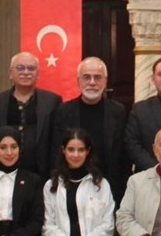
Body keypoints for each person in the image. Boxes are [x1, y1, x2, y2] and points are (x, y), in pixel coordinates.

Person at [52, 57, 129, 202]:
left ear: (105, 81)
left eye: (97, 77)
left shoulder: (118, 111)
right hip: (72, 184)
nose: (92, 82)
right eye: (86, 77)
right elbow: (57, 150)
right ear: (78, 81)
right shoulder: (64, 111)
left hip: (109, 186)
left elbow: (123, 154)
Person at [0, 52, 61, 178]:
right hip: (4, 175)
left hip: (42, 174)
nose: (26, 72)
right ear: (10, 74)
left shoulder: (53, 101)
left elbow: (56, 140)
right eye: (20, 68)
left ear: (38, 74)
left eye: (31, 68)